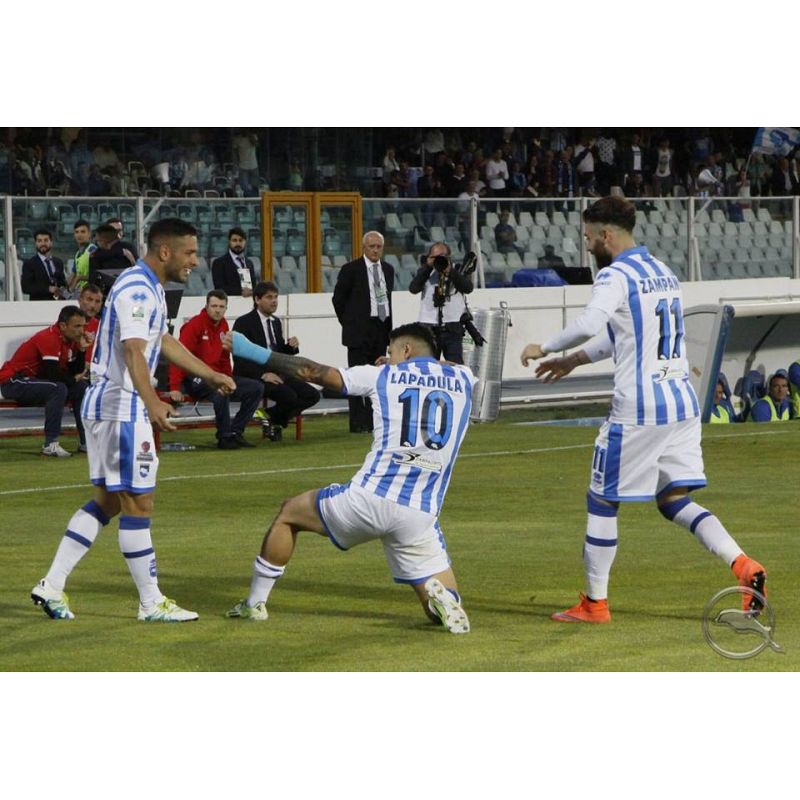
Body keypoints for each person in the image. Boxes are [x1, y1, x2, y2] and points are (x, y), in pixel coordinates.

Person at [520, 196, 767, 623]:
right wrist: (573, 360)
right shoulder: (662, 271)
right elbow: (625, 333)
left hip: (639, 409)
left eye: (589, 238)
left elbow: (590, 324)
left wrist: (545, 346)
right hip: (681, 403)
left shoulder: (615, 275)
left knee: (602, 499)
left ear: (606, 235)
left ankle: (595, 604)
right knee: (673, 499)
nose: (587, 245)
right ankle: (744, 566)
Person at [30, 218, 236, 622]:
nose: (195, 261)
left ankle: (51, 585)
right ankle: (150, 602)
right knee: (140, 502)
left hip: (114, 405)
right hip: (121, 407)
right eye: (189, 252)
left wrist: (210, 374)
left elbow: (161, 340)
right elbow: (134, 351)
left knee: (108, 501)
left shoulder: (148, 286)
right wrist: (152, 401)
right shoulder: (138, 289)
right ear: (165, 251)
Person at [223, 322, 474, 633]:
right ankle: (443, 602)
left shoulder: (382, 376)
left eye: (391, 351)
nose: (388, 358)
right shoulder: (464, 377)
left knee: (289, 513)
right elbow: (442, 368)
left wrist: (251, 351)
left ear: (406, 350)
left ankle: (254, 603)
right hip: (419, 514)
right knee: (443, 604)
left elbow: (312, 371)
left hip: (370, 498)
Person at [168, 289, 263, 448]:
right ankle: (224, 437)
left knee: (256, 388)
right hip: (195, 376)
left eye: (221, 307)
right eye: (214, 306)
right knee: (220, 390)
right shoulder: (194, 325)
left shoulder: (224, 325)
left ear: (226, 308)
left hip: (217, 376)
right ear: (206, 306)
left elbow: (224, 357)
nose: (217, 310)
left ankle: (236, 432)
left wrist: (228, 378)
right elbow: (178, 356)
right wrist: (175, 387)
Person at [232, 281, 319, 441]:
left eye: (276, 297)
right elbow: (239, 358)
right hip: (255, 376)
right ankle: (275, 423)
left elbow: (277, 354)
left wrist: (290, 347)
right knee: (289, 396)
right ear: (257, 299)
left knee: (312, 395)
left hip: (278, 373)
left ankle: (270, 417)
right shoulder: (243, 323)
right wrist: (263, 375)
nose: (274, 301)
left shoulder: (276, 322)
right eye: (269, 297)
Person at [0, 305, 91, 457]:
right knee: (58, 388)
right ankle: (50, 444)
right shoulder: (49, 337)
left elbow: (74, 370)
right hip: (12, 381)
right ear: (63, 326)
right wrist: (74, 378)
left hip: (36, 381)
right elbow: (53, 373)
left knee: (82, 387)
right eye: (77, 326)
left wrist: (82, 350)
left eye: (83, 326)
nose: (82, 331)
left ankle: (86, 442)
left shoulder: (71, 340)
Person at [332, 231, 394, 433]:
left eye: (379, 247)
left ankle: (374, 420)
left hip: (381, 328)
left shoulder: (388, 269)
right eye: (372, 246)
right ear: (364, 247)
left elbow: (387, 299)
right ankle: (358, 422)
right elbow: (338, 299)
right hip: (358, 331)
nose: (375, 250)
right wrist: (349, 323)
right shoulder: (351, 269)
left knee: (377, 376)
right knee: (357, 377)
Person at [409, 241, 474, 363]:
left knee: (455, 366)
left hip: (452, 326)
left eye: (442, 256)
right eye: (435, 257)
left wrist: (451, 272)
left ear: (449, 257)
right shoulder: (425, 271)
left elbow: (468, 288)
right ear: (429, 257)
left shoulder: (457, 270)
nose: (439, 260)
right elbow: (413, 289)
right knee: (428, 365)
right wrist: (428, 267)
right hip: (428, 326)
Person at [21, 229, 68, 300]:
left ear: (51, 242)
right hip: (39, 304)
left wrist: (62, 288)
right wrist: (48, 289)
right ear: (35, 243)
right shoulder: (29, 264)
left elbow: (62, 283)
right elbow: (26, 288)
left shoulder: (58, 262)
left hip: (58, 303)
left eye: (46, 240)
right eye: (39, 241)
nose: (43, 243)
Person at [211, 227, 258, 298]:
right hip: (229, 302)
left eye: (240, 240)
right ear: (229, 242)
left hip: (248, 302)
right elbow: (219, 288)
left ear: (245, 242)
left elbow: (253, 286)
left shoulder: (249, 263)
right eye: (234, 240)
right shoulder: (219, 263)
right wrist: (241, 291)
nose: (238, 243)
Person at [67, 219, 97, 294]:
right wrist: (65, 288)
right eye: (77, 232)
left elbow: (96, 276)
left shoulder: (93, 250)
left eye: (83, 232)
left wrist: (79, 278)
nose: (79, 235)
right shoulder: (77, 254)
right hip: (81, 292)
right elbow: (73, 274)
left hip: (91, 291)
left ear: (89, 234)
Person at [77, 283, 103, 363]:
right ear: (80, 300)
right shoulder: (67, 324)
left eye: (97, 301)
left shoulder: (102, 327)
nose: (93, 305)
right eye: (89, 299)